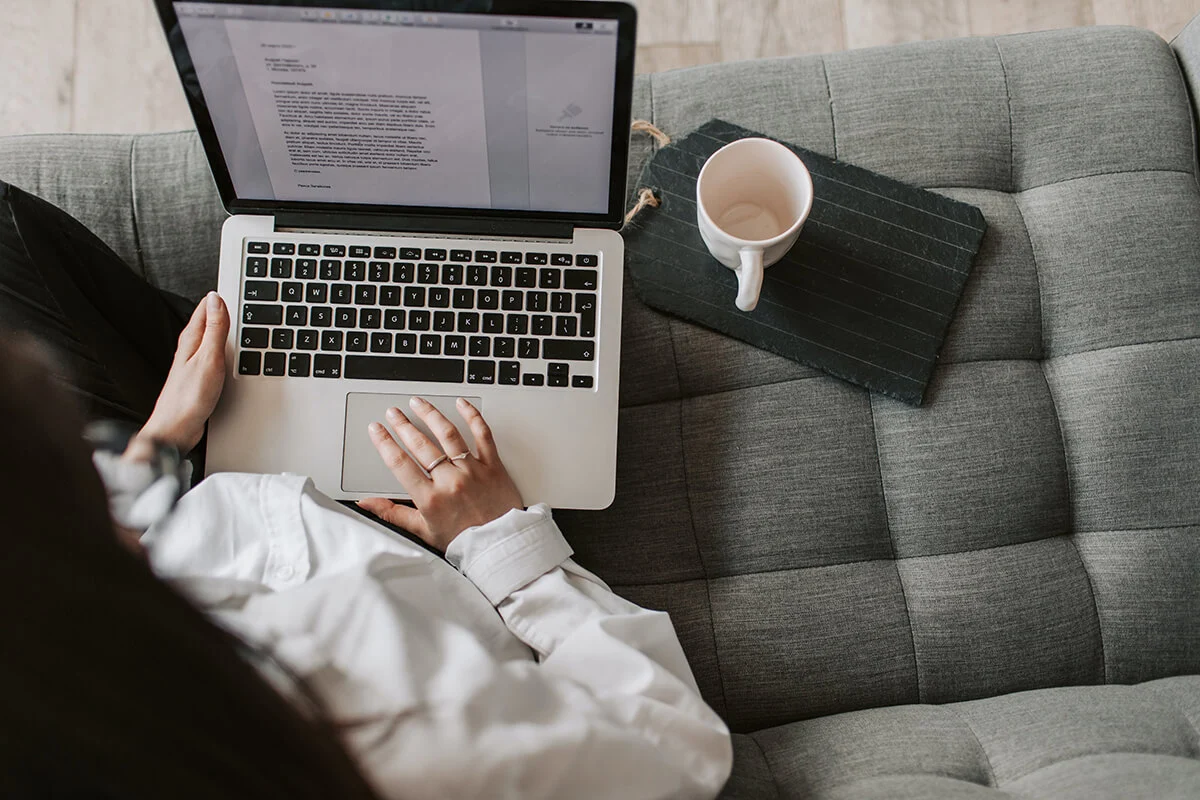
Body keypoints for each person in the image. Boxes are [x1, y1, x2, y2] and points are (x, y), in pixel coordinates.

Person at [0, 180, 733, 799]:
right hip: (398, 530)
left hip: (191, 495)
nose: (107, 467)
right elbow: (684, 755)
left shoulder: (57, 669)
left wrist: (157, 445)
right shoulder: (417, 730)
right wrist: (505, 540)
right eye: (89, 468)